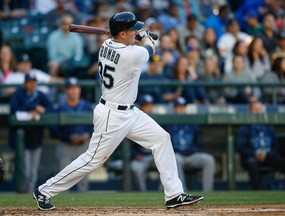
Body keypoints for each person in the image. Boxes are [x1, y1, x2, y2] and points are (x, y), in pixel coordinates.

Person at [32, 11, 203, 211]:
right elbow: (150, 49)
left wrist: (135, 35)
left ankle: (174, 194)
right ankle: (45, 190)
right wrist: (145, 37)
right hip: (112, 115)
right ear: (122, 34)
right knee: (92, 160)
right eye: (132, 29)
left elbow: (131, 43)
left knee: (161, 138)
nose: (135, 32)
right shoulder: (130, 55)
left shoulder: (106, 45)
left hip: (130, 112)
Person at [9, 73, 51, 193]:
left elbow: (51, 108)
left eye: (34, 82)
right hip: (22, 139)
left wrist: (42, 110)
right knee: (25, 170)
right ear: (25, 83)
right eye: (29, 82)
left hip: (36, 137)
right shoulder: (19, 94)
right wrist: (31, 111)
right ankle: (23, 191)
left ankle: (30, 192)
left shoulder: (40, 95)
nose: (32, 84)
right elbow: (14, 110)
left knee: (33, 170)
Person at [50, 77, 93, 192]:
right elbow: (53, 131)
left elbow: (96, 127)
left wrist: (87, 135)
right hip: (65, 146)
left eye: (76, 88)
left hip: (84, 146)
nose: (74, 91)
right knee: (63, 180)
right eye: (70, 88)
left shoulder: (87, 106)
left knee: (83, 182)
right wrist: (68, 137)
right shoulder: (59, 108)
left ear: (79, 89)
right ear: (66, 91)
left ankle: (84, 209)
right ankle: (62, 209)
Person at [164, 97, 215, 192]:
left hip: (192, 155)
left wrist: (192, 151)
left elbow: (199, 143)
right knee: (175, 159)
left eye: (183, 107)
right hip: (177, 155)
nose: (181, 109)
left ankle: (208, 191)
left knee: (209, 160)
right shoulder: (168, 123)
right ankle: (181, 192)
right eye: (179, 107)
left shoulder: (192, 123)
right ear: (174, 108)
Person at [236, 98, 285, 190]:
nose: (257, 113)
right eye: (255, 110)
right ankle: (256, 191)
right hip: (253, 158)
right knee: (251, 163)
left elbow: (275, 145)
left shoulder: (268, 126)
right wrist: (255, 154)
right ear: (249, 111)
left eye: (259, 110)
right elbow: (241, 147)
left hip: (269, 157)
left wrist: (267, 154)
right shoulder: (244, 128)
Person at [131, 95, 156, 192]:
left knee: (168, 162)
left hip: (155, 155)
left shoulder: (160, 120)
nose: (148, 108)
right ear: (141, 107)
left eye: (150, 105)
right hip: (141, 156)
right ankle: (143, 193)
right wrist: (135, 155)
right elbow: (128, 144)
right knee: (136, 167)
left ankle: (166, 192)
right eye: (146, 106)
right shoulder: (134, 120)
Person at [47, 14, 84, 78]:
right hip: (58, 61)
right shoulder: (53, 36)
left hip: (72, 61)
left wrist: (72, 61)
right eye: (64, 24)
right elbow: (52, 55)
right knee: (54, 64)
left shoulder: (77, 37)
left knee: (79, 66)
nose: (67, 26)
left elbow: (78, 54)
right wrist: (63, 61)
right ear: (60, 24)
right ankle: (53, 86)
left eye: (69, 24)